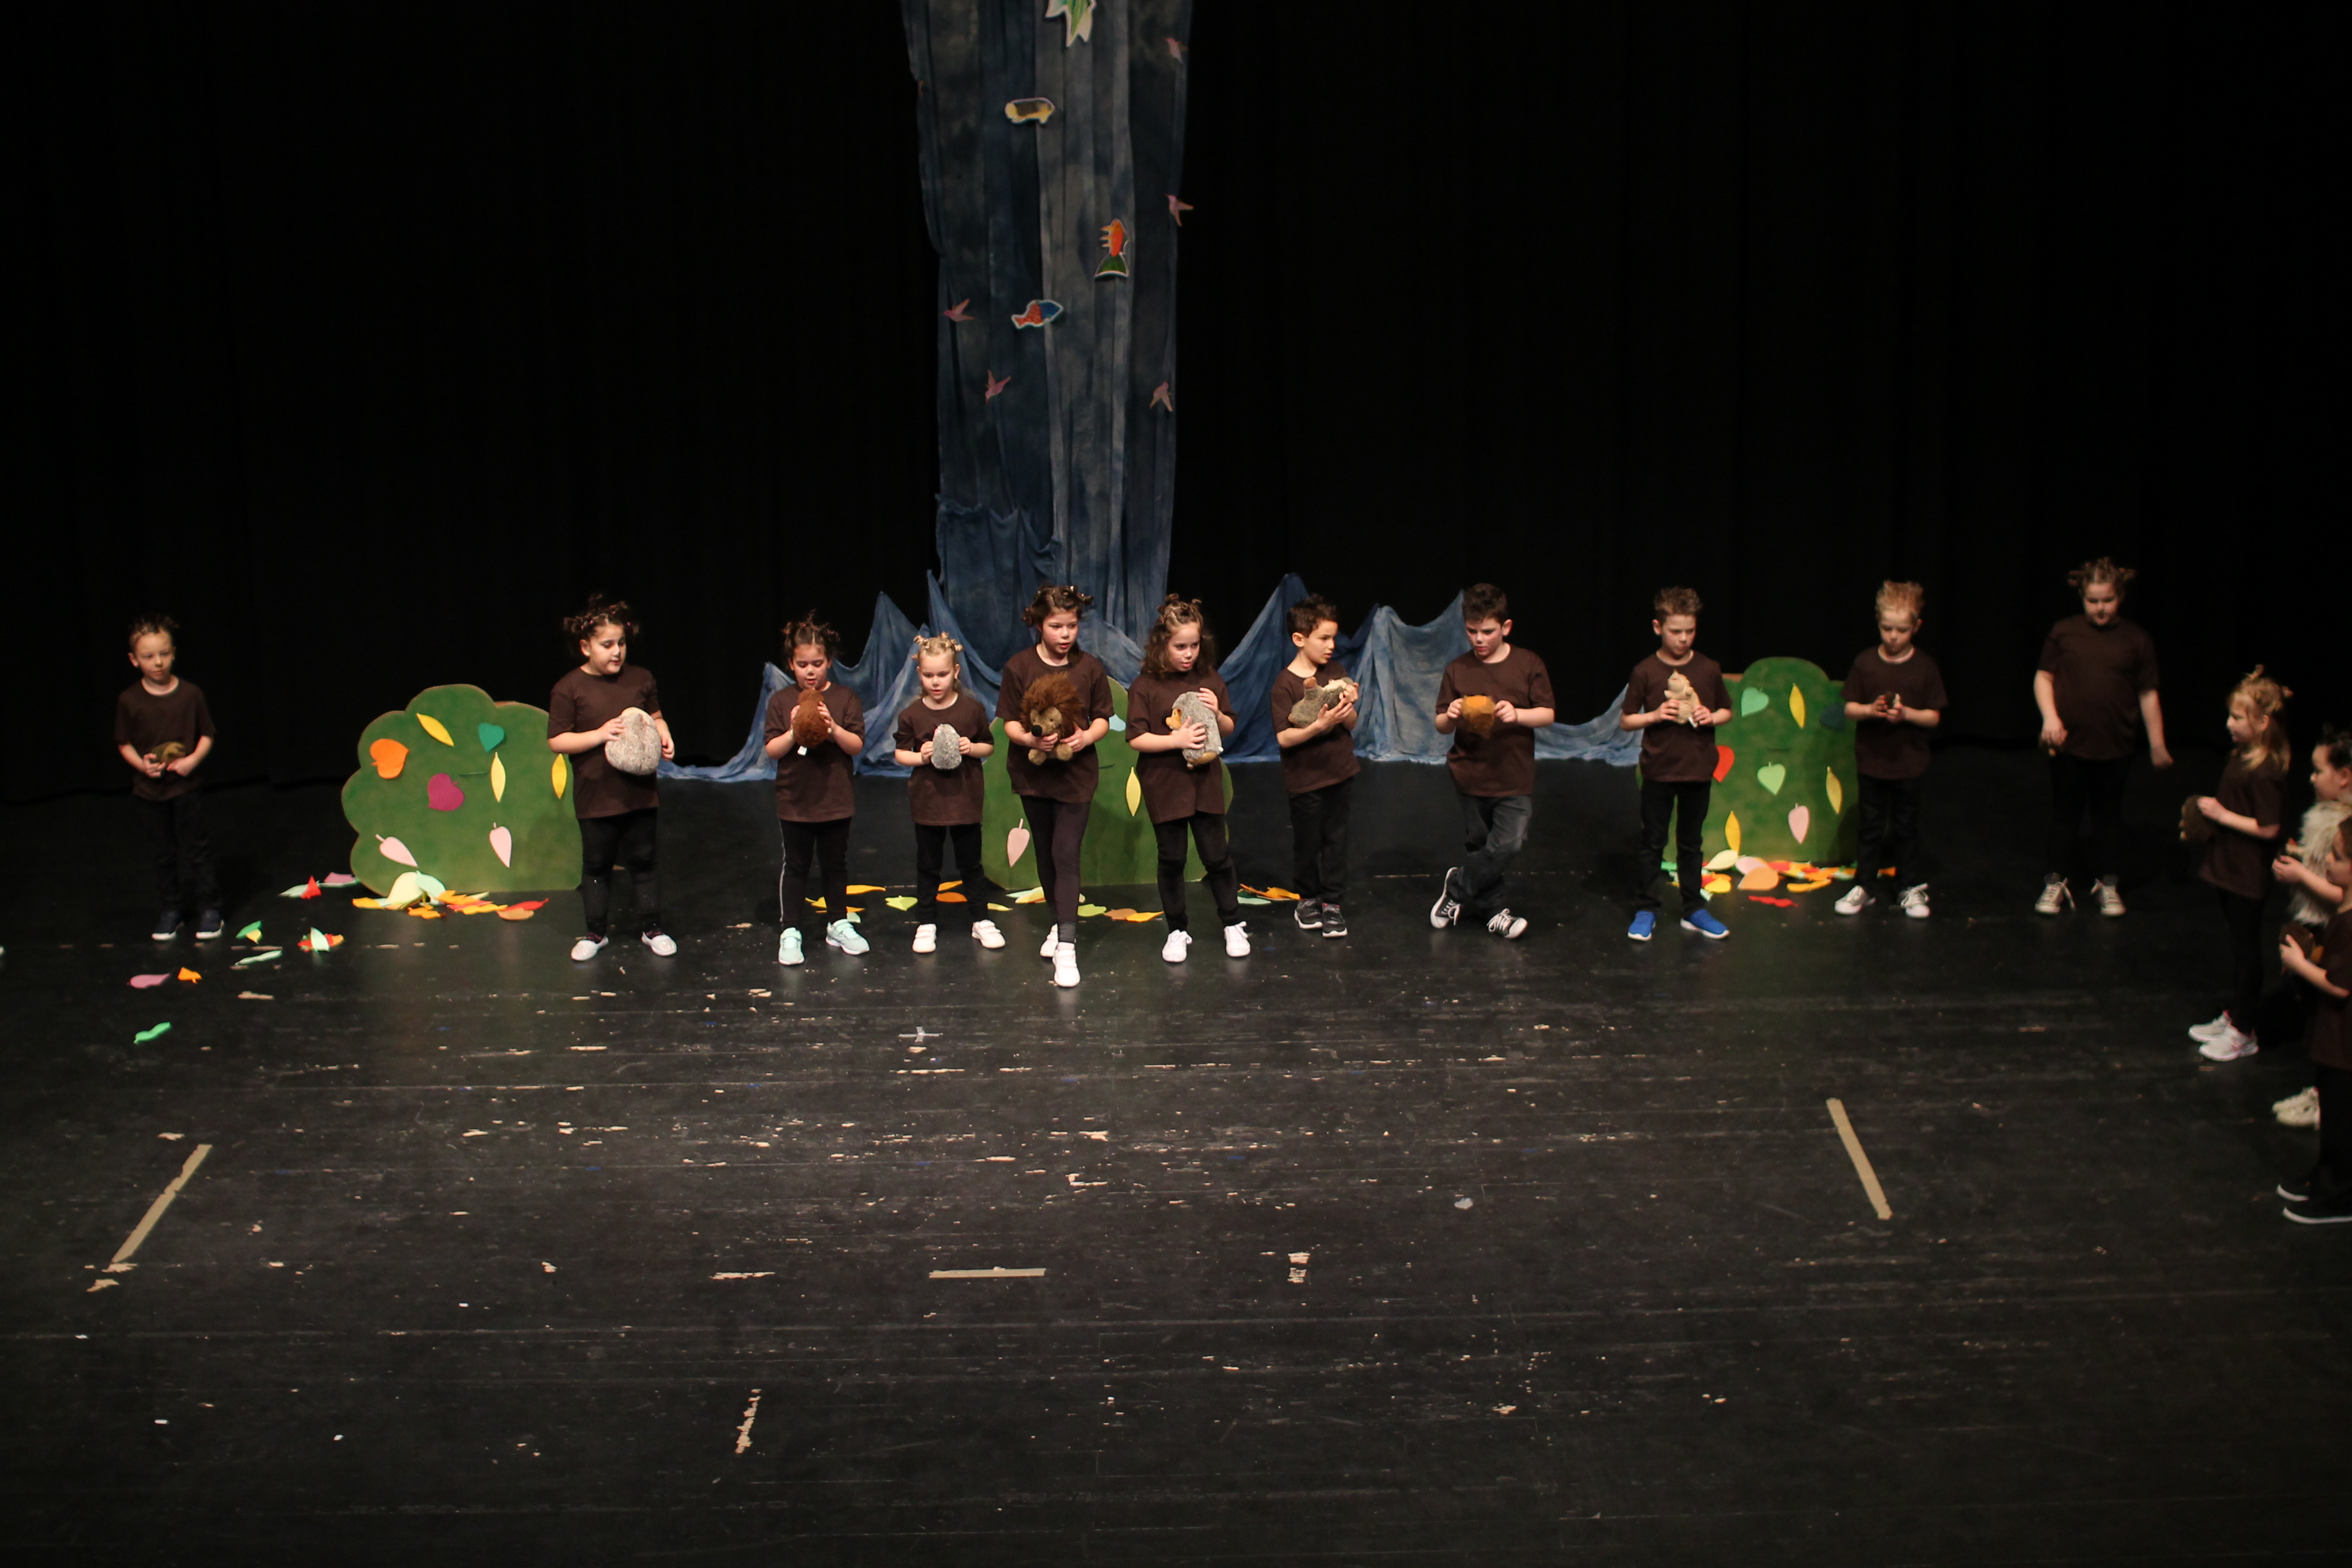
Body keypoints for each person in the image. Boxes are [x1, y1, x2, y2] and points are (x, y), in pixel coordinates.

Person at [2033, 558, 2170, 915]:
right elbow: (2044, 677)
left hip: (2115, 746)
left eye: (2107, 600)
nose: (2100, 608)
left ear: (2120, 596)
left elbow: (2148, 693)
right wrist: (2050, 717)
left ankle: (2107, 884)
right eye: (2092, 601)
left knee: (2108, 817)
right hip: (2069, 745)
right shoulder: (2065, 632)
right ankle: (2055, 881)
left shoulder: (2136, 639)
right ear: (2082, 597)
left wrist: (2157, 744)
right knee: (2065, 815)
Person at [546, 598, 676, 961]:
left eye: (621, 643)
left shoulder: (640, 678)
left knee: (644, 860)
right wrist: (600, 735)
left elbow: (656, 716)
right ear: (585, 647)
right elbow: (557, 741)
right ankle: (595, 932)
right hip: (596, 795)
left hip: (639, 793)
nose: (617, 651)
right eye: (607, 645)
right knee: (597, 863)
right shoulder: (569, 688)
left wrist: (664, 734)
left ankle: (653, 928)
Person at [997, 585, 1113, 989]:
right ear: (1038, 624)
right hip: (1034, 776)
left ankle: (1067, 945)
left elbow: (1103, 718)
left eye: (1072, 626)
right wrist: (1032, 740)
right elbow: (1009, 723)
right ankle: (1057, 920)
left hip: (1075, 776)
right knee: (1046, 854)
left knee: (1066, 854)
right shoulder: (1019, 667)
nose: (1065, 634)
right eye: (1056, 626)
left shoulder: (1090, 668)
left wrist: (1085, 738)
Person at [1125, 595, 1249, 962]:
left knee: (1217, 855)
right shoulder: (1145, 685)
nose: (1189, 654)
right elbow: (1136, 738)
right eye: (1180, 646)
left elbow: (1228, 726)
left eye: (1194, 645)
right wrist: (1176, 740)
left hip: (1204, 783)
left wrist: (1218, 714)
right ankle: (1177, 929)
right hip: (1165, 784)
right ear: (1162, 644)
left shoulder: (1209, 678)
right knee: (1172, 858)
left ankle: (1232, 922)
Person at [1429, 583, 1555, 939]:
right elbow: (1440, 725)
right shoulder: (1458, 669)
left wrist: (1518, 714)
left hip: (1513, 773)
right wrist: (1452, 715)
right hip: (1471, 773)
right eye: (1472, 631)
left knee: (1508, 844)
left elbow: (1547, 713)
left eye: (1487, 631)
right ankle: (1495, 911)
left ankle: (1457, 887)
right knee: (1480, 847)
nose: (1479, 639)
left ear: (1506, 627)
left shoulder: (1528, 663)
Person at [2184, 668, 2291, 1063]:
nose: (2229, 724)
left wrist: (2222, 815)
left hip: (2247, 872)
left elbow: (2270, 827)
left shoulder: (2266, 769)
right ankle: (2235, 1015)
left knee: (2247, 950)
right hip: (2228, 864)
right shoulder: (2241, 755)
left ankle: (2244, 1030)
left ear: (2262, 723)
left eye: (2237, 717)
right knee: (2236, 944)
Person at [1620, 586, 1733, 941]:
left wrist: (1711, 715)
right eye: (1676, 631)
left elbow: (1727, 711)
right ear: (1658, 628)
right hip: (1659, 770)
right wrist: (1655, 715)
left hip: (1697, 769)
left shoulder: (1708, 668)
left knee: (1691, 843)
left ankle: (1693, 909)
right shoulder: (1646, 670)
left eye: (1690, 631)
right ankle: (1646, 908)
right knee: (1653, 841)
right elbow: (1626, 720)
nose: (1683, 639)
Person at [1836, 581, 1948, 918]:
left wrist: (1907, 714)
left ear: (1917, 627)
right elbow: (1849, 708)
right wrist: (1871, 710)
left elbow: (1934, 716)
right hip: (1873, 761)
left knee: (1905, 826)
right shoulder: (1866, 662)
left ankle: (1907, 886)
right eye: (1887, 628)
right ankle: (1865, 886)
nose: (1894, 637)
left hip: (1908, 763)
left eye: (1902, 630)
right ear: (1878, 622)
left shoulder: (1924, 667)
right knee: (1871, 826)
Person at [890, 634, 1004, 955]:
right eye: (929, 675)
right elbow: (900, 753)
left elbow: (989, 747)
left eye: (942, 674)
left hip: (965, 801)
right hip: (929, 803)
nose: (936, 682)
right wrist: (921, 756)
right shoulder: (912, 714)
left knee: (971, 864)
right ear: (920, 674)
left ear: (955, 672)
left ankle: (980, 919)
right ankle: (926, 922)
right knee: (929, 865)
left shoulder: (972, 709)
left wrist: (971, 748)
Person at [764, 613, 865, 966]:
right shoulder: (781, 701)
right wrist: (794, 731)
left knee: (835, 864)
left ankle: (838, 922)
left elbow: (856, 745)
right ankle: (790, 929)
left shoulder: (845, 697)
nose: (811, 672)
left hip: (835, 799)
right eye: (803, 665)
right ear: (791, 664)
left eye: (818, 664)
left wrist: (832, 727)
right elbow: (772, 750)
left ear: (830, 661)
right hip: (795, 800)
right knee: (796, 865)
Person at [115, 614, 222, 942]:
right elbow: (124, 743)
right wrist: (142, 766)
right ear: (134, 660)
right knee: (162, 853)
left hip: (186, 788)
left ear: (173, 653)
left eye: (164, 654)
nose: (158, 662)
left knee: (197, 850)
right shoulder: (129, 700)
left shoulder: (190, 694)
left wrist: (192, 761)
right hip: (150, 792)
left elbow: (207, 735)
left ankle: (209, 908)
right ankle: (171, 910)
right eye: (148, 656)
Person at [2271, 726, 2352, 1127]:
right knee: (2316, 1019)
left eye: (2319, 770)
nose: (2312, 778)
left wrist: (2302, 876)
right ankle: (2321, 1091)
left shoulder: (2347, 828)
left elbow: (2344, 893)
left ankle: (2330, 1099)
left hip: (2334, 930)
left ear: (2344, 776)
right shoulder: (2326, 816)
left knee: (2332, 1021)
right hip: (2323, 925)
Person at [1270, 594, 1360, 938]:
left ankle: (1333, 902)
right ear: (1300, 638)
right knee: (1308, 842)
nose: (1331, 645)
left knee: (1336, 839)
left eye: (1333, 638)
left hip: (1340, 771)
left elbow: (1351, 723)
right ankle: (1308, 898)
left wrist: (1347, 707)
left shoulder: (1336, 672)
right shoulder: (1285, 684)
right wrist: (1319, 726)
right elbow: (1284, 737)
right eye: (1323, 638)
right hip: (1305, 778)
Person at [2277, 832, 2352, 1224]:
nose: (2328, 862)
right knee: (2333, 1112)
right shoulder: (2345, 911)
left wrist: (2299, 964)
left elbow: (2340, 985)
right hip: (2334, 1035)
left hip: (2346, 1041)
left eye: (2337, 856)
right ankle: (2325, 1179)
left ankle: (2340, 1196)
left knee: (2342, 1120)